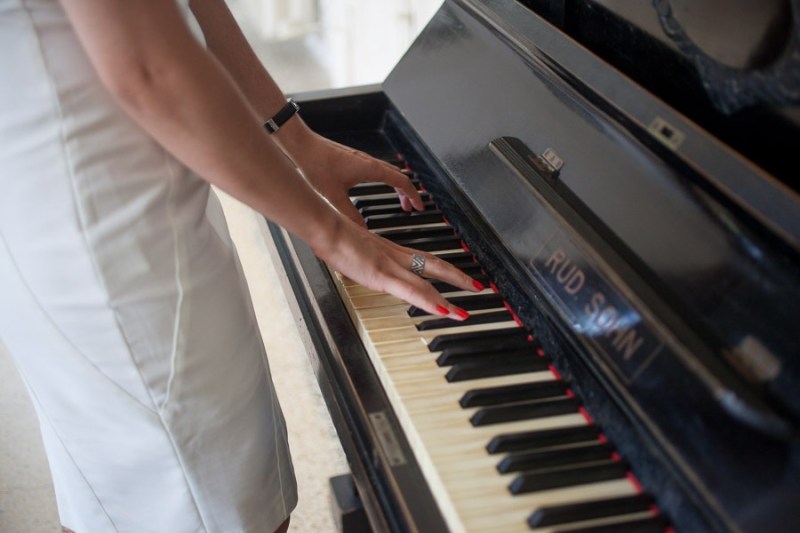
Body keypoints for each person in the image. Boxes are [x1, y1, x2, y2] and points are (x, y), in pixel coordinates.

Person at [0, 0, 480, 531]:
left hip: (134, 180)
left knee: (170, 488)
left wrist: (297, 138)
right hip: (100, 220)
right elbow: (149, 68)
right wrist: (333, 235)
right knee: (192, 501)